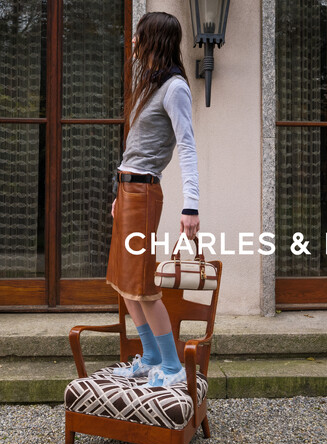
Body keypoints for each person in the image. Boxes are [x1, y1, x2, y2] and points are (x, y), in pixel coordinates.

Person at [105, 11, 200, 387]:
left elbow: (187, 146)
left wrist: (191, 205)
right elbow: (137, 148)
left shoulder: (175, 88)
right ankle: (150, 358)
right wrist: (120, 192)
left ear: (154, 40)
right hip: (129, 191)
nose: (133, 41)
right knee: (124, 282)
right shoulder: (151, 85)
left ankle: (173, 367)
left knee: (143, 285)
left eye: (138, 35)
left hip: (144, 193)